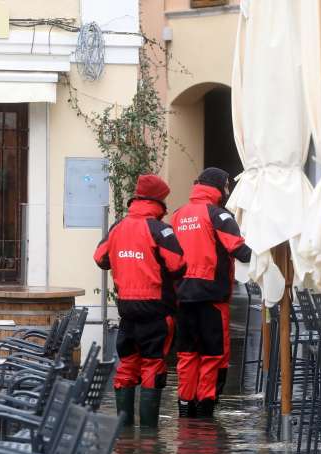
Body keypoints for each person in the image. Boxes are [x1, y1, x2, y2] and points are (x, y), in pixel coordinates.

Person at [93, 174, 185, 428]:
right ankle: (148, 436)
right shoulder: (161, 230)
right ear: (159, 201)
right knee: (153, 364)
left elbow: (100, 258)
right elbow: (178, 265)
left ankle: (123, 431)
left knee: (128, 364)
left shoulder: (118, 227)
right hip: (157, 309)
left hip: (127, 310)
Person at [173, 167, 251, 418]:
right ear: (218, 186)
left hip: (182, 296)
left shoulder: (178, 215)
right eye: (227, 185)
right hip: (212, 298)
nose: (228, 190)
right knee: (212, 355)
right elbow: (241, 251)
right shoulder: (220, 215)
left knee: (187, 354)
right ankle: (205, 410)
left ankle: (185, 406)